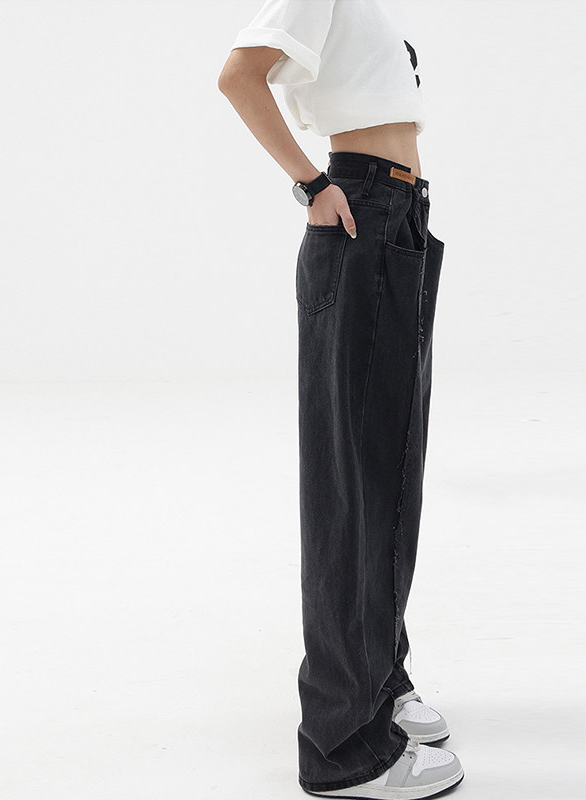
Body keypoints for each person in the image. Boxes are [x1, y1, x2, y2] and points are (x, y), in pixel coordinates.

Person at [218, 1, 462, 797]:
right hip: (361, 211)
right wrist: (311, 184)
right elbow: (238, 77)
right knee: (353, 482)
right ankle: (343, 748)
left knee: (388, 472)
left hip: (394, 215)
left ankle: (379, 681)